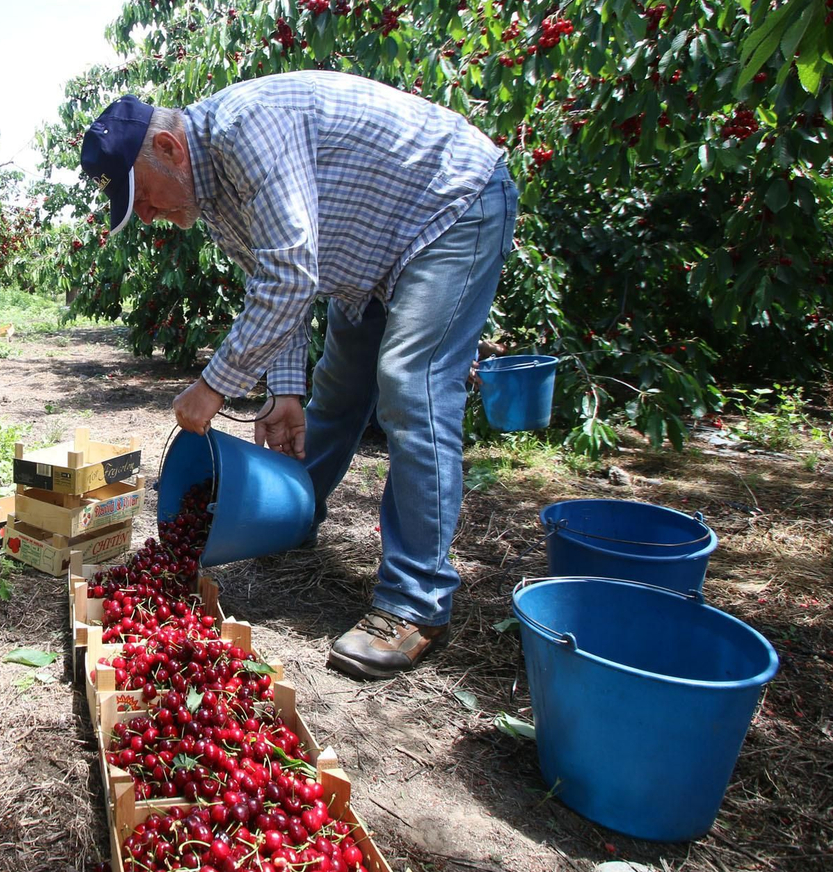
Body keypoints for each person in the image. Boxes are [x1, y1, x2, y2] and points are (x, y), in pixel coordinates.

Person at [79, 70, 518, 678]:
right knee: (333, 392)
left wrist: (213, 387)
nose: (147, 215)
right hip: (367, 257)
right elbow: (276, 285)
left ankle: (416, 604)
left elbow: (291, 276)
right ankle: (289, 517)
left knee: (409, 383)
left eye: (144, 196)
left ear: (168, 148)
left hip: (449, 207)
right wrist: (285, 392)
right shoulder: (212, 198)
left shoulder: (247, 127)